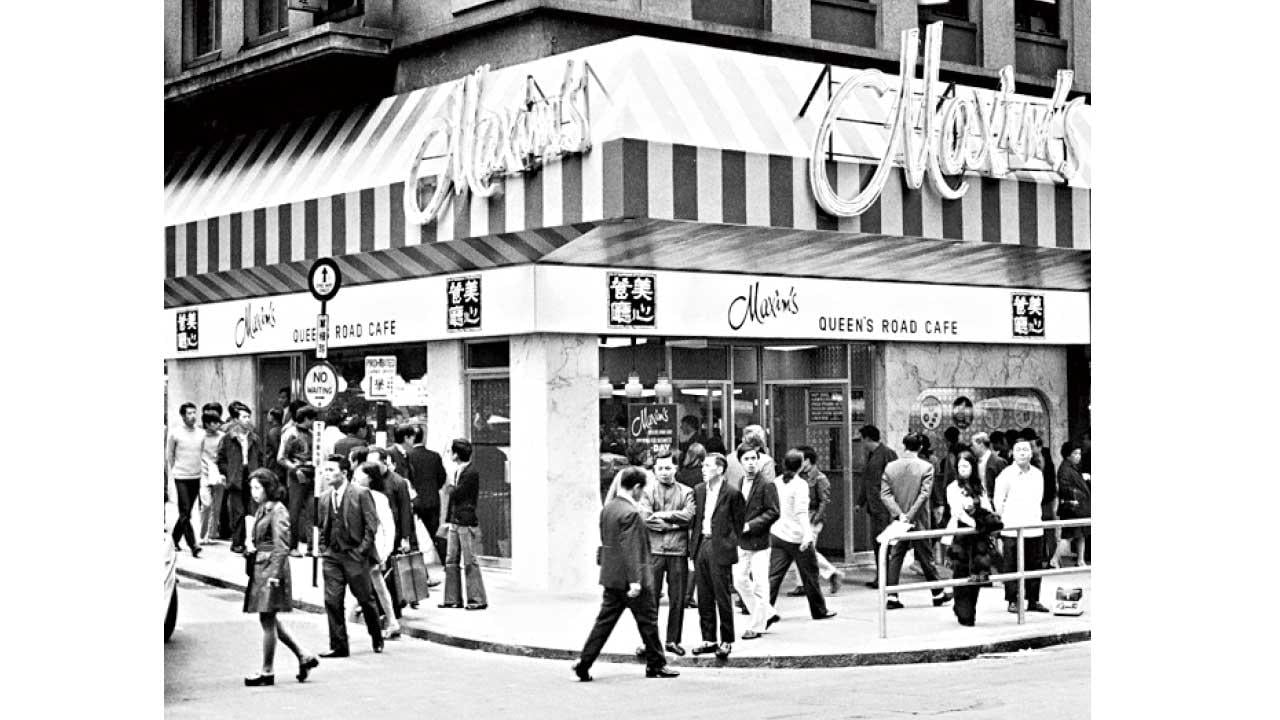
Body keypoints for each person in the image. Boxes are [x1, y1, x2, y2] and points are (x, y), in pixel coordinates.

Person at [572, 467, 679, 682]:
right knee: (648, 622)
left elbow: (608, 542)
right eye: (642, 490)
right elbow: (631, 548)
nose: (642, 494)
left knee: (604, 623)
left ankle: (584, 662)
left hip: (612, 577)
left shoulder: (609, 508)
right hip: (632, 579)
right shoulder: (631, 513)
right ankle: (656, 664)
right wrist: (635, 581)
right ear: (637, 487)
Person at [242, 468, 319, 686]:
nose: (254, 492)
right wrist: (253, 546)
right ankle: (303, 655)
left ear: (268, 488)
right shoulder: (263, 508)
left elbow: (282, 545)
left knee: (267, 619)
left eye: (257, 488)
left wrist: (274, 575)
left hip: (271, 571)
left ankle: (267, 671)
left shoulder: (278, 510)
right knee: (268, 617)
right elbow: (268, 541)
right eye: (252, 488)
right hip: (262, 567)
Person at [316, 455, 385, 657]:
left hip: (354, 554)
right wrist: (323, 548)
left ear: (344, 473)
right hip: (332, 555)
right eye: (325, 470)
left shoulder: (361, 493)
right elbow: (322, 526)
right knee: (332, 600)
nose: (326, 474)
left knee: (365, 598)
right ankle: (338, 645)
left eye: (331, 470)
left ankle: (376, 635)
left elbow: (371, 525)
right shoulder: (325, 497)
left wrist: (361, 551)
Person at [881, 433, 952, 610]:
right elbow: (924, 495)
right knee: (925, 556)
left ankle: (892, 596)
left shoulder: (890, 467)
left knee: (896, 556)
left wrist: (899, 515)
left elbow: (885, 494)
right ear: (920, 447)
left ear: (903, 445)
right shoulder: (926, 467)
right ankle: (937, 593)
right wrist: (910, 515)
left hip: (898, 521)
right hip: (919, 519)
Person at [766, 450, 838, 623]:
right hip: (797, 537)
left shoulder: (777, 482)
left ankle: (764, 611)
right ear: (800, 466)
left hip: (778, 533)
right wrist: (807, 535)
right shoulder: (800, 485)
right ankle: (819, 610)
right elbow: (801, 513)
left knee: (773, 576)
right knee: (810, 575)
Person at [688, 452, 745, 661]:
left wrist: (729, 543)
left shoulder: (732, 493)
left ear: (720, 469)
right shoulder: (699, 490)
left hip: (720, 545)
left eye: (707, 466)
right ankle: (708, 638)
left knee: (722, 594)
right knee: (703, 594)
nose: (703, 469)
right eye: (703, 465)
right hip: (701, 543)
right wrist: (693, 549)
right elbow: (696, 520)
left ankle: (726, 640)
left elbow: (739, 522)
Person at [639, 450, 695, 656]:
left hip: (678, 551)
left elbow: (689, 516)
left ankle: (673, 640)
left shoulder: (687, 492)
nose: (664, 472)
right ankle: (649, 642)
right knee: (650, 599)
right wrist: (674, 524)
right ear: (654, 470)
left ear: (676, 469)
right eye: (660, 468)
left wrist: (662, 516)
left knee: (677, 599)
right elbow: (645, 517)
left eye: (668, 468)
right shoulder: (647, 492)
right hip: (654, 551)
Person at [942, 451, 1000, 626]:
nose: (963, 469)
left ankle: (970, 609)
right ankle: (962, 609)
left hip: (978, 538)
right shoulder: (953, 487)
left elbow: (986, 505)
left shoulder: (979, 486)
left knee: (977, 574)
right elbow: (957, 511)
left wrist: (987, 520)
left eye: (966, 466)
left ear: (973, 467)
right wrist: (974, 523)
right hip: (961, 535)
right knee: (960, 572)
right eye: (960, 466)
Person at [993, 440, 1050, 614]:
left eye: (1026, 449)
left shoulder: (1037, 474)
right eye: (1018, 450)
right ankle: (1012, 599)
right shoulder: (1005, 475)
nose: (1023, 453)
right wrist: (1006, 519)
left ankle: (1033, 600)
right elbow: (998, 501)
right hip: (1012, 527)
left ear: (1031, 453)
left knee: (1035, 564)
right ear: (1012, 453)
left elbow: (1039, 497)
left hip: (1034, 525)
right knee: (1011, 565)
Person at [732, 444, 780, 641]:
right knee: (739, 579)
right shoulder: (741, 481)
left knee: (760, 583)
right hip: (743, 540)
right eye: (747, 459)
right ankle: (766, 613)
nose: (751, 463)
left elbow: (774, 511)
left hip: (759, 540)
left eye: (754, 458)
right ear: (740, 462)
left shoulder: (766, 484)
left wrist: (750, 525)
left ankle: (757, 625)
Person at [353, 461, 402, 640]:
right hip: (358, 548)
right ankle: (391, 622)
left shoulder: (379, 498)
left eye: (360, 474)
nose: (356, 476)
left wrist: (384, 552)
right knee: (376, 586)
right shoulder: (354, 494)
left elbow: (388, 527)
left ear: (370, 478)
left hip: (373, 549)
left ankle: (386, 622)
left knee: (371, 585)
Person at [366, 446, 416, 618]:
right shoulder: (369, 481)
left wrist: (405, 538)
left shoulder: (398, 482)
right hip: (374, 535)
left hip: (393, 534)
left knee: (391, 574)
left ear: (384, 462)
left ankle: (394, 609)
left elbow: (405, 511)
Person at [439, 438, 488, 610]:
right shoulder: (458, 471)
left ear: (456, 454)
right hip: (455, 520)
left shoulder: (470, 472)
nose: (450, 455)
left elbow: (457, 494)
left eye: (451, 452)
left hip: (466, 521)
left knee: (469, 560)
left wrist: (449, 486)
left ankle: (476, 599)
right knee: (451, 560)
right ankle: (452, 598)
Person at [786, 445, 842, 596]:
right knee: (802, 550)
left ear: (808, 460)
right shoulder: (799, 476)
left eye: (802, 460)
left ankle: (828, 574)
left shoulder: (820, 478)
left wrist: (815, 519)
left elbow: (824, 501)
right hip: (800, 517)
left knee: (806, 551)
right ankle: (806, 582)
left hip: (812, 517)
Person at [856, 425, 898, 588]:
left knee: (883, 543)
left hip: (884, 506)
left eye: (862, 439)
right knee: (877, 542)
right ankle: (881, 575)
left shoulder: (887, 454)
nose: (861, 443)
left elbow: (895, 479)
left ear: (867, 438)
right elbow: (866, 481)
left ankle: (886, 577)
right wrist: (860, 502)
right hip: (874, 506)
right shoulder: (871, 455)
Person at [217, 403, 261, 554]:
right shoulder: (228, 438)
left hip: (251, 475)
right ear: (236, 419)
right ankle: (237, 542)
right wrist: (228, 472)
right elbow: (221, 458)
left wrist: (259, 473)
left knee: (253, 509)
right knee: (238, 511)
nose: (247, 420)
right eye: (244, 417)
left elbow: (261, 457)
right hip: (235, 476)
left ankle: (253, 541)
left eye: (249, 417)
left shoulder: (254, 438)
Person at [406, 426, 448, 573]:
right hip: (432, 499)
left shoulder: (407, 456)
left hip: (415, 501)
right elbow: (442, 477)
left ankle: (418, 567)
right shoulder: (434, 456)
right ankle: (447, 562)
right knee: (436, 532)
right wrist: (433, 488)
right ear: (423, 437)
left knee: (414, 535)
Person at [278, 405, 317, 557]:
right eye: (311, 419)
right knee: (294, 511)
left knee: (312, 511)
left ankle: (312, 546)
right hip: (297, 475)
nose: (312, 422)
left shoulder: (312, 434)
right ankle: (292, 546)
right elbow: (281, 457)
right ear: (306, 418)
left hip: (311, 474)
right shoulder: (290, 433)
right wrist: (295, 469)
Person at [168, 402, 205, 557]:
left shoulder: (201, 433)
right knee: (184, 510)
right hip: (181, 476)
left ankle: (173, 539)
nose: (192, 416)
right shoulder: (175, 433)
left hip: (196, 475)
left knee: (187, 512)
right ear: (183, 416)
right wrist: (175, 470)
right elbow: (170, 454)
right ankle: (193, 545)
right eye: (189, 413)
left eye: (194, 413)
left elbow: (201, 453)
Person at [1056, 442, 1090, 567]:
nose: (1078, 456)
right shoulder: (1065, 469)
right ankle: (1054, 559)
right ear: (1068, 455)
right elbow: (1064, 487)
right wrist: (1077, 495)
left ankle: (1080, 560)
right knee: (1069, 535)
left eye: (1079, 453)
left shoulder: (1073, 468)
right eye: (1075, 453)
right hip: (1072, 507)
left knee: (1081, 534)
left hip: (1079, 507)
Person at [198, 410, 227, 545]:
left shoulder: (223, 436)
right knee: (206, 503)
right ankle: (202, 534)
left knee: (217, 505)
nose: (217, 425)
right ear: (207, 424)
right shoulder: (200, 436)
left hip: (219, 472)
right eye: (214, 422)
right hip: (203, 471)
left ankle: (211, 533)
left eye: (217, 422)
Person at [970, 432, 1008, 506]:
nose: (971, 448)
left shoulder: (998, 462)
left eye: (972, 445)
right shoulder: (974, 462)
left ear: (980, 444)